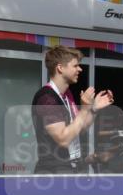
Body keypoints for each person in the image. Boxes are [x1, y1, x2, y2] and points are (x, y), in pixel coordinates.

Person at [31, 46, 114, 174]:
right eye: (75, 66)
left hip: (70, 170)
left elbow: (79, 128)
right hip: (53, 174)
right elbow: (63, 139)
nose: (80, 69)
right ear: (60, 68)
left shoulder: (66, 94)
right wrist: (84, 109)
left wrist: (94, 109)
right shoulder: (47, 98)